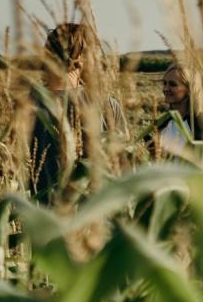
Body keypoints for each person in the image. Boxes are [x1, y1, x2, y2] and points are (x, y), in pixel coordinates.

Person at [28, 22, 128, 205]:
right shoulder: (106, 105)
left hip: (42, 216)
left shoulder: (27, 105)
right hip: (95, 215)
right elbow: (123, 167)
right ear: (81, 59)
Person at [147, 63, 203, 157]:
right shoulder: (165, 121)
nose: (165, 89)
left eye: (173, 84)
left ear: (190, 89)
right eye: (164, 83)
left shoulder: (200, 124)